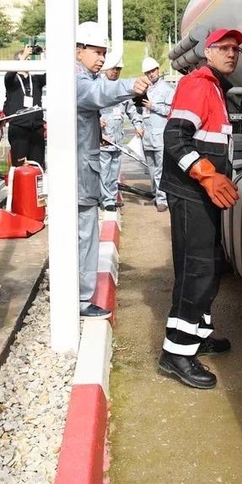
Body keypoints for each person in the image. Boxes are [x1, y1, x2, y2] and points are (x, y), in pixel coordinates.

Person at [157, 28, 242, 389]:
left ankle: (198, 334)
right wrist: (207, 175)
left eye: (236, 49)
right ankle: (176, 353)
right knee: (196, 271)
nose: (231, 53)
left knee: (209, 268)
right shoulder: (199, 84)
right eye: (223, 48)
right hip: (191, 193)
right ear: (207, 52)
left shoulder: (215, 86)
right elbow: (175, 138)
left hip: (201, 195)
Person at [76, 22, 149, 318]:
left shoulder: (83, 76)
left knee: (84, 233)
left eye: (104, 53)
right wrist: (130, 85)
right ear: (78, 50)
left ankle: (78, 294)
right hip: (80, 172)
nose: (102, 59)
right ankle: (81, 299)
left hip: (83, 168)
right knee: (85, 235)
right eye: (96, 52)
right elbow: (96, 94)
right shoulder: (79, 79)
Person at [98, 57, 141, 212]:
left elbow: (131, 110)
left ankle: (110, 196)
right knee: (104, 170)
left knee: (114, 170)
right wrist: (97, 121)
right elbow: (88, 108)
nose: (115, 72)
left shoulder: (122, 89)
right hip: (103, 138)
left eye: (118, 69)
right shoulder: (98, 87)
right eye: (113, 69)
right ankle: (106, 199)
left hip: (117, 138)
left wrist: (138, 124)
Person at [136, 56, 175, 213]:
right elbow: (138, 111)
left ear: (158, 69)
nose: (151, 74)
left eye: (153, 70)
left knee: (160, 168)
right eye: (148, 72)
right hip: (147, 136)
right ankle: (156, 194)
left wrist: (154, 107)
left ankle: (162, 199)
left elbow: (171, 111)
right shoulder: (145, 90)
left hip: (160, 136)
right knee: (151, 168)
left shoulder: (167, 90)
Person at [3, 44, 46, 167]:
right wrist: (24, 56)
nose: (28, 63)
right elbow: (10, 74)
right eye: (25, 60)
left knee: (37, 165)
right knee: (19, 165)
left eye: (28, 60)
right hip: (19, 127)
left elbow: (51, 75)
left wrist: (45, 54)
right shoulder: (12, 81)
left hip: (36, 127)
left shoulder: (35, 80)